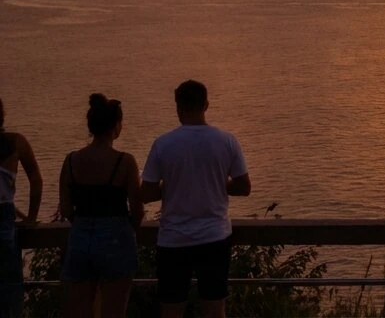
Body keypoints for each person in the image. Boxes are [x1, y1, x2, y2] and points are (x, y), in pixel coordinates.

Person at [140, 81, 251, 318]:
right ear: (206, 105)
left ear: (178, 107)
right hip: (214, 237)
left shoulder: (163, 144)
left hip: (173, 240)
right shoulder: (226, 140)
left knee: (171, 310)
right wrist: (219, 183)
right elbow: (243, 186)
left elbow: (146, 193)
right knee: (214, 309)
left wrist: (171, 187)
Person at [60, 94, 144, 318]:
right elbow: (137, 208)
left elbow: (66, 209)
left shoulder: (71, 161)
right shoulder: (125, 162)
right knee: (114, 312)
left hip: (80, 237)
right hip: (116, 238)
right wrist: (129, 230)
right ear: (116, 126)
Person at [0, 98, 43, 318]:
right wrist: (31, 217)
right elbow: (36, 179)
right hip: (4, 221)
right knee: (9, 290)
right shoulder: (15, 142)